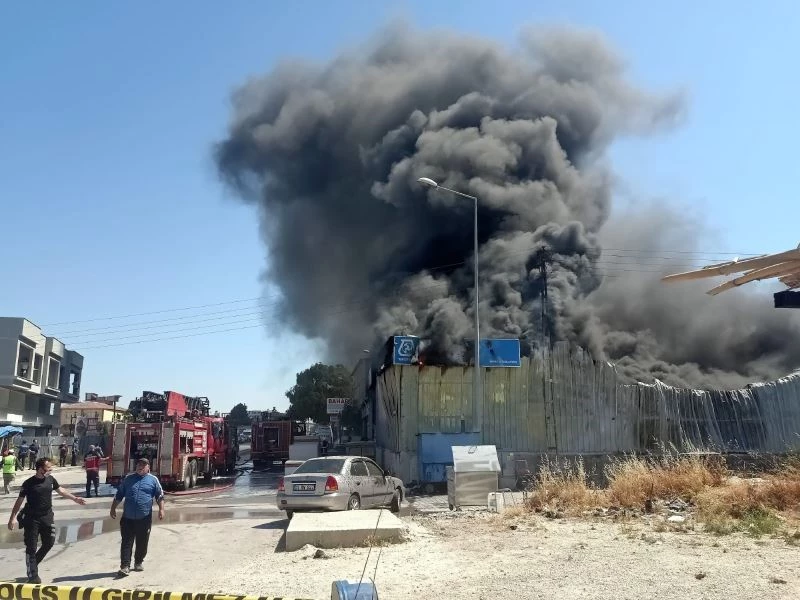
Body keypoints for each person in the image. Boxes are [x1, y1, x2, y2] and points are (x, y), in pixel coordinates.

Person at [7, 457, 87, 583]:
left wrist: (75, 498)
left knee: (49, 542)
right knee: (31, 547)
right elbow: (19, 501)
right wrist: (12, 518)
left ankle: (33, 564)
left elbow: (61, 491)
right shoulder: (28, 483)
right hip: (32, 519)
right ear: (40, 469)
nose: (50, 470)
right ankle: (33, 575)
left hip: (47, 517)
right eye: (48, 468)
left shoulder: (50, 479)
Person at [110, 458, 165, 577]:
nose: (140, 467)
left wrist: (161, 509)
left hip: (144, 517)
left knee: (142, 542)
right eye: (139, 464)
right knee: (126, 542)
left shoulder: (153, 480)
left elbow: (159, 495)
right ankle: (125, 566)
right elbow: (119, 494)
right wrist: (113, 508)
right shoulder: (128, 479)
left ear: (148, 467)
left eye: (143, 465)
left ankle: (138, 561)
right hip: (127, 517)